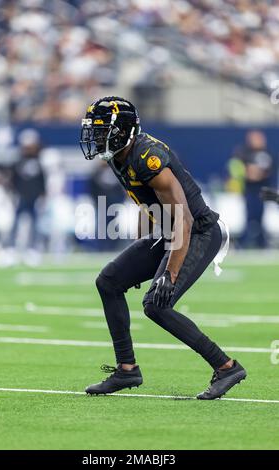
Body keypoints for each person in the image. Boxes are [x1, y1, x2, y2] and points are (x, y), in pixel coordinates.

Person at [80, 97, 246, 400]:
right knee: (109, 280)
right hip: (172, 230)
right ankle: (127, 370)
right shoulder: (120, 154)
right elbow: (152, 206)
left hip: (198, 231)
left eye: (103, 130)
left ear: (123, 130)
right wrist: (142, 254)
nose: (97, 137)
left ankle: (226, 366)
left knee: (157, 304)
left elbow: (184, 216)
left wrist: (167, 274)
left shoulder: (146, 156)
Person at [230, 131, 273, 248]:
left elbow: (269, 170)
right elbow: (238, 169)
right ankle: (243, 242)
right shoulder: (243, 152)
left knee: (260, 215)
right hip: (249, 189)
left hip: (263, 189)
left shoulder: (267, 152)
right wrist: (249, 172)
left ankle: (261, 242)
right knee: (249, 215)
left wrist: (258, 173)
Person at [8, 129, 45, 253]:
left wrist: (42, 194)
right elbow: (13, 180)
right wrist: (14, 194)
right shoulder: (18, 162)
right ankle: (11, 247)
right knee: (16, 222)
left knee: (35, 223)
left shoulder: (39, 161)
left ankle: (33, 248)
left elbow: (42, 180)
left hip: (34, 197)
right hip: (21, 196)